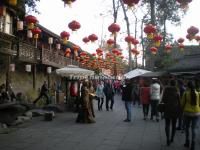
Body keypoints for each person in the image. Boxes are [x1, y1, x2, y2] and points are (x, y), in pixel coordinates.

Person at [181, 81, 200, 150]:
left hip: (187, 113)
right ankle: (193, 144)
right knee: (194, 129)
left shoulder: (185, 94)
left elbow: (182, 103)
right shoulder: (198, 93)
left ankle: (187, 142)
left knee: (187, 127)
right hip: (196, 113)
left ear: (188, 87)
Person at [161, 80, 181, 146]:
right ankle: (172, 138)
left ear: (170, 83)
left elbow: (163, 100)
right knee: (174, 124)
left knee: (167, 124)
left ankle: (168, 139)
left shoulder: (166, 90)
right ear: (175, 84)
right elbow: (179, 101)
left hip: (167, 109)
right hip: (175, 110)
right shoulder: (177, 90)